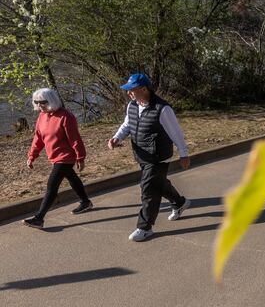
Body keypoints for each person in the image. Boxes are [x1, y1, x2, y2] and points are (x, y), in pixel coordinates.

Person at [107, 73, 191, 242]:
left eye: (132, 90)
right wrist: (117, 138)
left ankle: (144, 227)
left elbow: (176, 133)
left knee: (148, 189)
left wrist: (184, 154)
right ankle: (179, 203)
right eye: (128, 90)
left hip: (158, 156)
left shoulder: (162, 108)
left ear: (144, 89)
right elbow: (127, 124)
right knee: (158, 183)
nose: (129, 93)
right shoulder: (132, 105)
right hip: (142, 154)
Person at [23, 88, 93, 229]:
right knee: (72, 178)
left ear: (51, 100)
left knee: (52, 185)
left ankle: (39, 218)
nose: (39, 105)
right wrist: (32, 156)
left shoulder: (66, 117)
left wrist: (80, 157)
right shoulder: (42, 117)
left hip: (65, 157)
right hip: (54, 157)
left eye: (42, 102)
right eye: (36, 102)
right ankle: (86, 202)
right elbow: (38, 139)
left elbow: (75, 139)